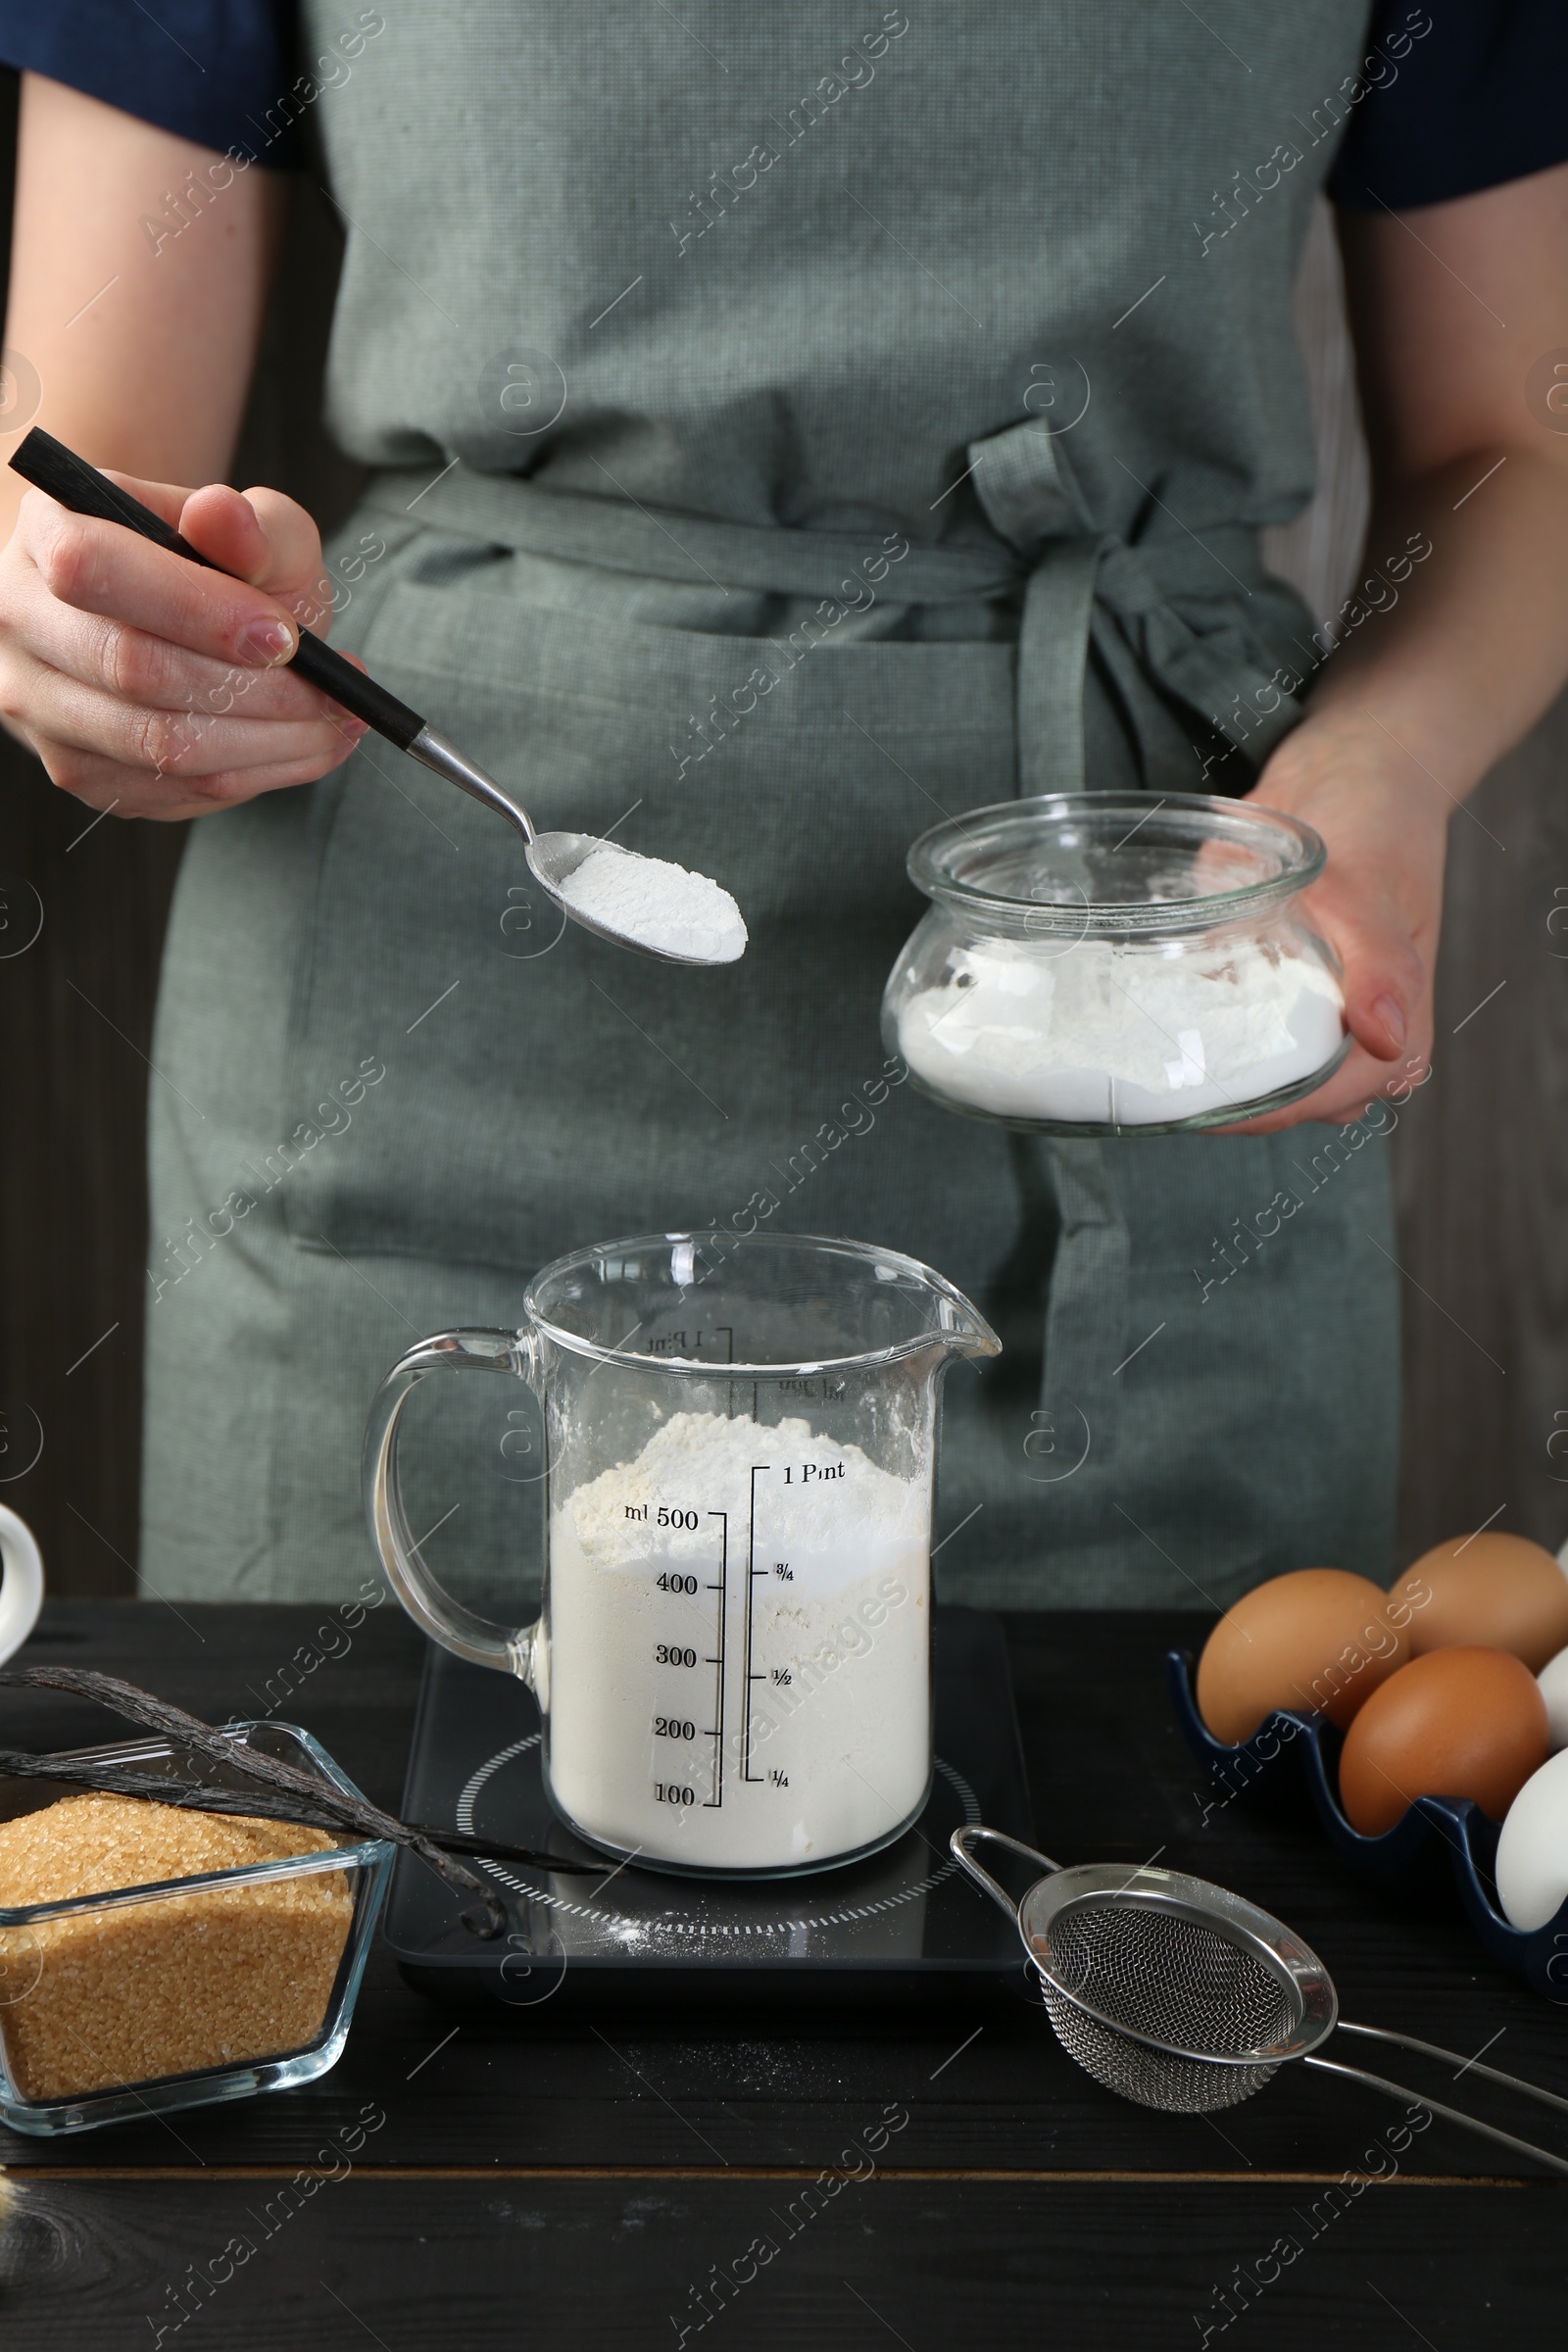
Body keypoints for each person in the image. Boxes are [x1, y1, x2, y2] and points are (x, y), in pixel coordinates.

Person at [0, 4, 1564, 1610]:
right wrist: (100, 632)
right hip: (420, 1071)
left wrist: (1382, 774)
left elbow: (1522, 435)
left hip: (1148, 1037)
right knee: (353, 1831)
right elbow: (74, 454)